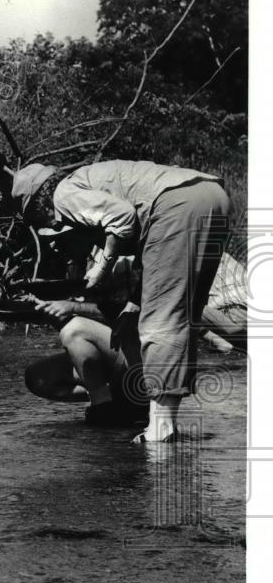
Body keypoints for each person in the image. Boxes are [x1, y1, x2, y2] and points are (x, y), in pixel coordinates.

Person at [14, 159, 232, 443]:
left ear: (37, 204)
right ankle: (160, 418)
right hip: (212, 196)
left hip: (177, 203)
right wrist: (134, 303)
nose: (53, 239)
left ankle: (161, 428)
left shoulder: (63, 194)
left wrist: (103, 266)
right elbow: (148, 250)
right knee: (185, 313)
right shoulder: (91, 186)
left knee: (162, 320)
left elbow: (123, 217)